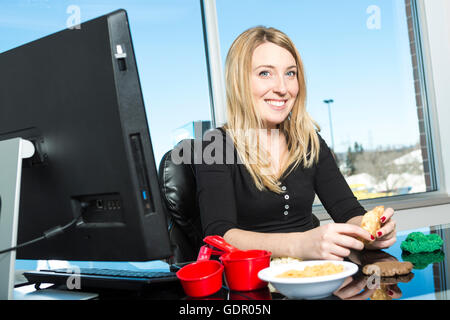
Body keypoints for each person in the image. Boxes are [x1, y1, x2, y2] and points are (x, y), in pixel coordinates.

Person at [195, 26, 396, 261]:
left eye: (290, 73)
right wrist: (298, 244)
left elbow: (348, 211)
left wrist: (369, 232)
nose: (282, 88)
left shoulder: (309, 141)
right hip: (250, 284)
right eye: (265, 73)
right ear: (239, 83)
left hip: (312, 277)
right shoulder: (213, 146)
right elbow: (219, 235)